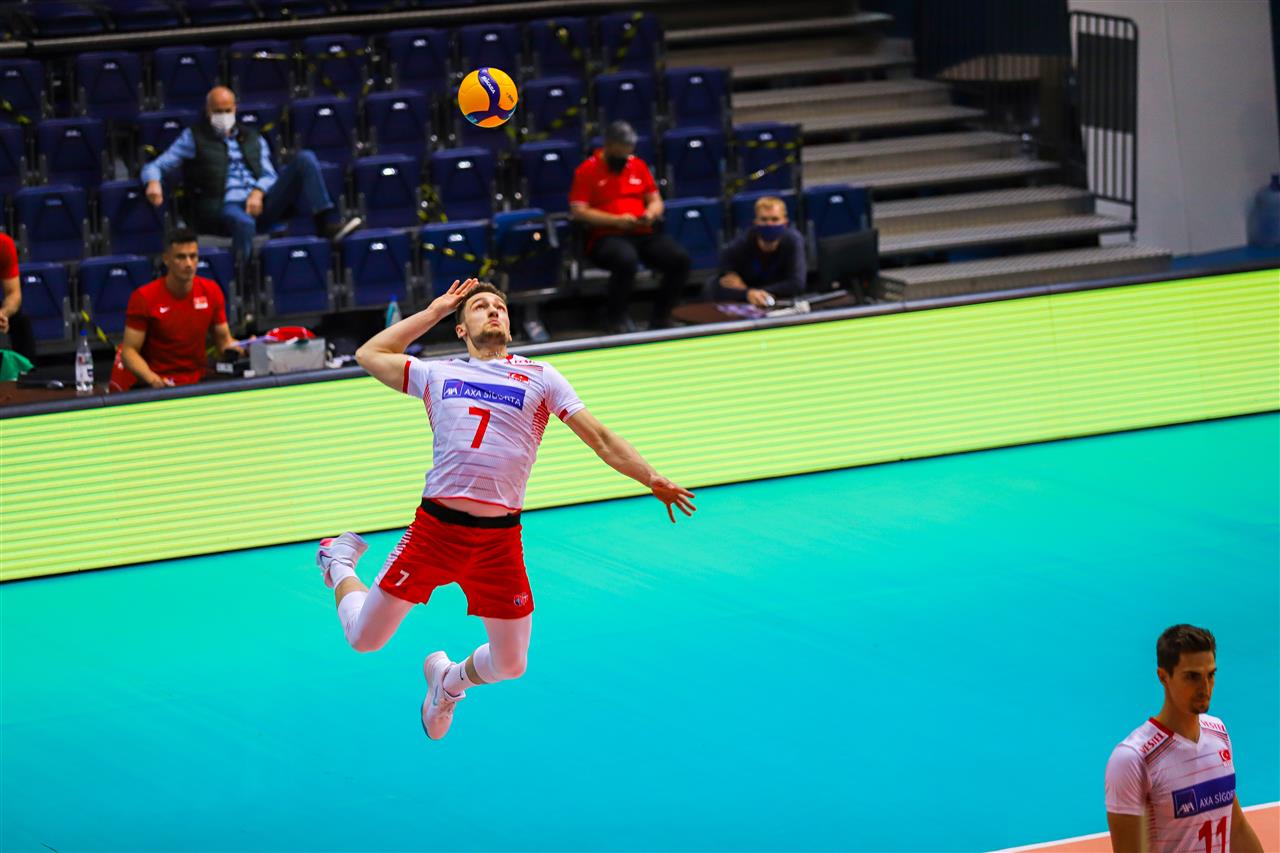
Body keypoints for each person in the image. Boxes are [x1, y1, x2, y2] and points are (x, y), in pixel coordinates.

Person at [317, 278, 695, 741]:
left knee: (512, 664)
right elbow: (369, 354)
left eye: (500, 306)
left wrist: (650, 477)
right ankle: (338, 562)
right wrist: (434, 311)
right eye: (480, 306)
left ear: (510, 326)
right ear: (461, 328)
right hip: (436, 532)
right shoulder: (435, 374)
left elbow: (600, 437)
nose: (493, 310)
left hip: (498, 543)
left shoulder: (541, 377)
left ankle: (448, 682)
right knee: (364, 639)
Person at [141, 86, 361, 261]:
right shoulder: (194, 137)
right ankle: (243, 278)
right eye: (218, 111)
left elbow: (269, 174)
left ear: (235, 109)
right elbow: (156, 165)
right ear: (208, 111)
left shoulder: (253, 137)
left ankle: (324, 226)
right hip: (224, 206)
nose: (223, 116)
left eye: (227, 110)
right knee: (244, 223)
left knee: (306, 159)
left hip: (261, 202)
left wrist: (258, 191)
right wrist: (152, 182)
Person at [1104, 624, 1264, 853]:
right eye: (1192, 677)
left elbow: (1236, 828)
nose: (1205, 687)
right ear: (1163, 677)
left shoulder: (1218, 733)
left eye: (1210, 675)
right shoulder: (1133, 759)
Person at [569, 120, 691, 334]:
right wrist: (615, 220)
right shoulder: (587, 170)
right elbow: (579, 211)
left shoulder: (638, 165)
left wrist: (650, 214)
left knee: (679, 259)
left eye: (629, 149)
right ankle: (615, 319)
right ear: (609, 145)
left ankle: (662, 317)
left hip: (641, 231)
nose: (626, 154)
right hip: (606, 235)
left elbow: (655, 200)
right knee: (626, 259)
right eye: (622, 149)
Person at [118, 228, 243, 389]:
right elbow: (129, 352)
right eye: (181, 257)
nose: (189, 264)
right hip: (159, 382)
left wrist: (248, 347)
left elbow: (224, 342)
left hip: (199, 381)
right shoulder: (143, 297)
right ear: (166, 259)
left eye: (193, 256)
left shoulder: (211, 291)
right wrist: (153, 379)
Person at [710, 196, 806, 307]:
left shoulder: (793, 241)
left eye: (775, 219)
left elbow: (797, 284)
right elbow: (720, 286)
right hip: (748, 304)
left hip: (783, 301)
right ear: (756, 222)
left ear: (785, 222)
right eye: (764, 220)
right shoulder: (739, 245)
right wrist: (747, 294)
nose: (769, 224)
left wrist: (751, 292)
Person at [0, 231, 35, 362]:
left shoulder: (3, 244)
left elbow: (13, 294)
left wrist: (3, 313)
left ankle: (24, 370)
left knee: (21, 320)